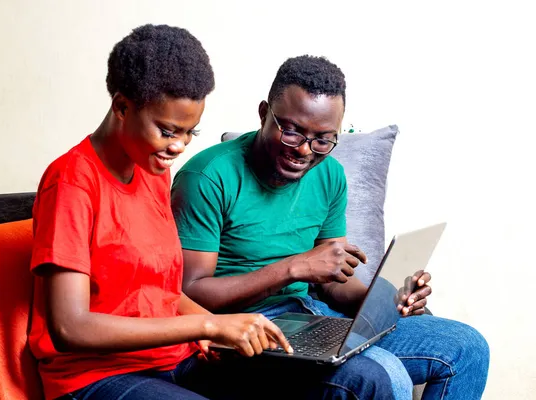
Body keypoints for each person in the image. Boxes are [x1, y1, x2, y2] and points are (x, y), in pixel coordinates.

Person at [29, 26, 395, 400]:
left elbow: (162, 293)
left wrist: (220, 328)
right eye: (168, 131)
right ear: (122, 107)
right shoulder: (73, 182)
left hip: (176, 357)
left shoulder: (150, 169)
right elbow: (70, 326)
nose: (179, 146)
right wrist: (205, 324)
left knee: (364, 379)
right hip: (96, 376)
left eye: (190, 133)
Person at [171, 55, 490, 400]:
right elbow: (189, 291)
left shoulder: (329, 174)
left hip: (310, 316)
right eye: (292, 131)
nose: (305, 151)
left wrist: (387, 298)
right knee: (384, 375)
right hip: (243, 328)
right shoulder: (208, 176)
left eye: (323, 139)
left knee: (468, 347)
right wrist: (293, 268)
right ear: (264, 113)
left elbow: (335, 282)